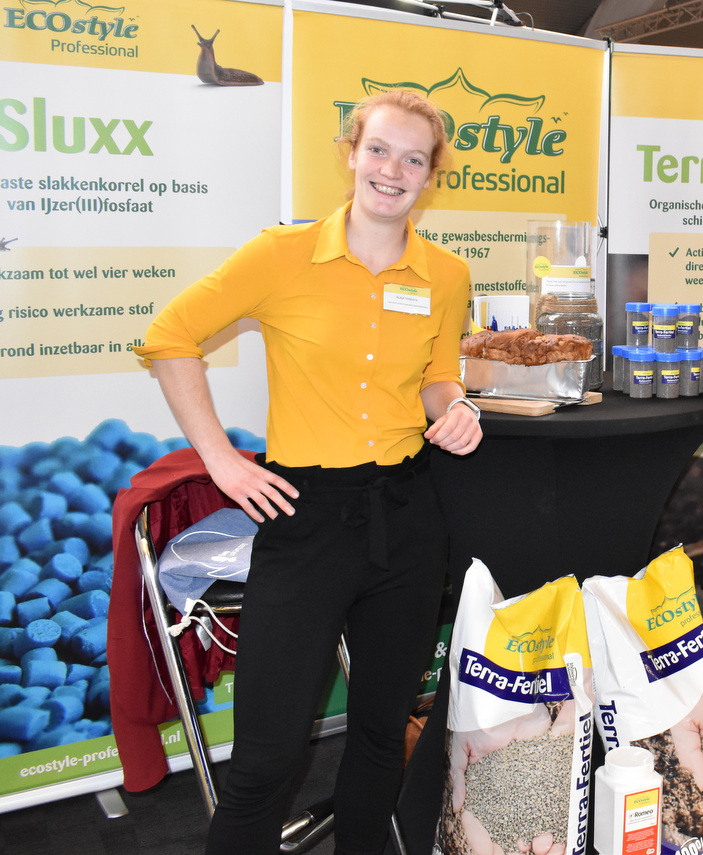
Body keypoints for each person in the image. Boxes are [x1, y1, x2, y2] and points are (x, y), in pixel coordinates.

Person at [134, 89, 481, 855]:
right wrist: (222, 461)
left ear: (431, 176)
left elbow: (437, 374)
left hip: (407, 517)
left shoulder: (446, 273)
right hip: (305, 516)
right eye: (379, 149)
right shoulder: (282, 254)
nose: (392, 170)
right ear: (351, 154)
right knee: (268, 754)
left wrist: (455, 406)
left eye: (413, 159)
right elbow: (169, 337)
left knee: (381, 733)